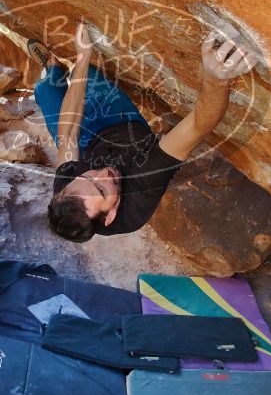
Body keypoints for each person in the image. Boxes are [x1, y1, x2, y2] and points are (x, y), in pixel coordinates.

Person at [32, 22, 259, 242]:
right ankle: (64, 73)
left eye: (87, 177)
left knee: (46, 89)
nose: (103, 174)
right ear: (110, 215)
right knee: (91, 77)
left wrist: (82, 57)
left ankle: (53, 68)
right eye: (102, 189)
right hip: (121, 121)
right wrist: (216, 80)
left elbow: (69, 132)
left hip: (83, 142)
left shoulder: (69, 193)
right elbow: (198, 125)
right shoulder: (141, 189)